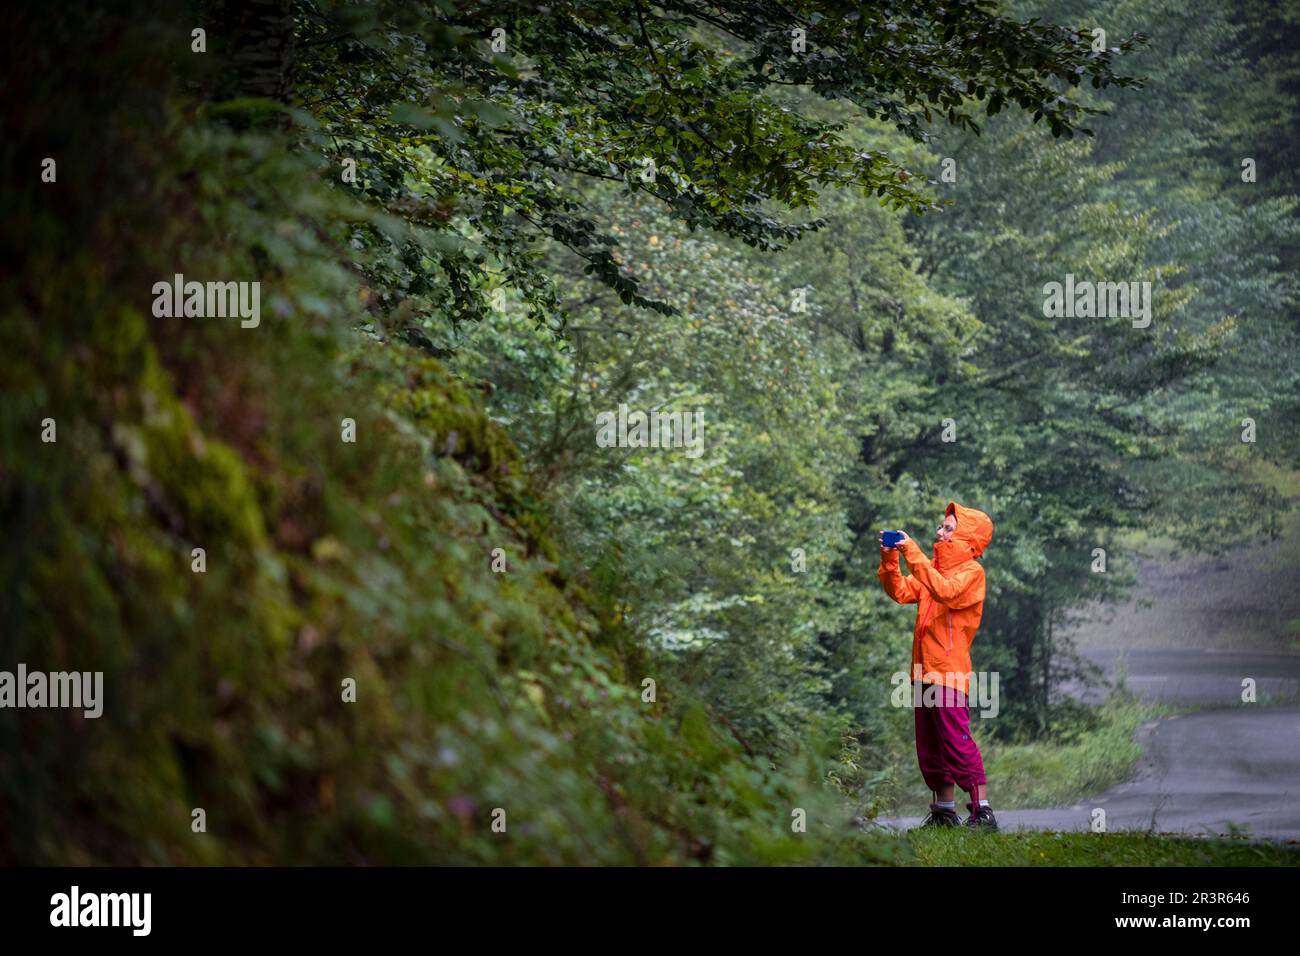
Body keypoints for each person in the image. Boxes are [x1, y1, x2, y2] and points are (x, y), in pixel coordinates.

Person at [878, 501, 998, 831]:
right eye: (941, 526)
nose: (939, 532)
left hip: (948, 673)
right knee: (930, 747)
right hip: (922, 672)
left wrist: (913, 553)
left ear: (968, 540)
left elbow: (946, 593)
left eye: (947, 528)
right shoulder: (932, 570)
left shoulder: (972, 574)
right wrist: (891, 557)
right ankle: (944, 812)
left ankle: (982, 811)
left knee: (957, 742)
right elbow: (900, 591)